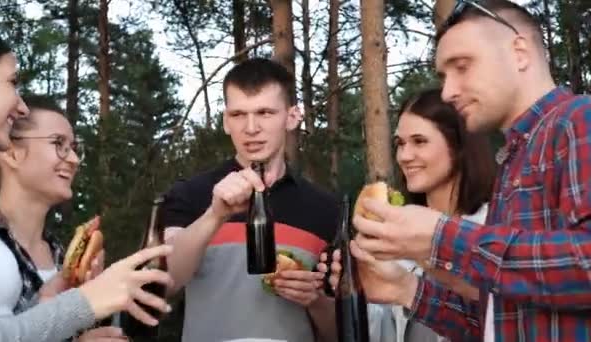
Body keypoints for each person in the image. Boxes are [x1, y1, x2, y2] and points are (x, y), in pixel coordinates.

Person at [338, 0, 591, 341]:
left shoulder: (579, 120)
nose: (448, 91)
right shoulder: (514, 159)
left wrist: (442, 237)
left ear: (519, 52)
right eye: (444, 75)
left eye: (462, 66)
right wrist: (405, 288)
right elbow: (499, 320)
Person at [0, 26, 173, 341]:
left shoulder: (65, 257)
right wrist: (85, 301)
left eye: (74, 148)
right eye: (58, 144)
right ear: (12, 153)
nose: (73, 159)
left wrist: (80, 308)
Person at [160, 57, 339, 342]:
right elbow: (164, 283)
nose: (251, 128)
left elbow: (341, 334)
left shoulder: (325, 209)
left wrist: (315, 300)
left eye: (265, 113)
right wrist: (214, 216)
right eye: (238, 114)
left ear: (292, 117)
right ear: (225, 122)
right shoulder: (190, 194)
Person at [319, 88, 496, 342]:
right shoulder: (394, 232)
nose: (405, 156)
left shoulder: (493, 229)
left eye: (419, 141)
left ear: (459, 146)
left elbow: (504, 321)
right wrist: (354, 292)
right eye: (400, 143)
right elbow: (382, 331)